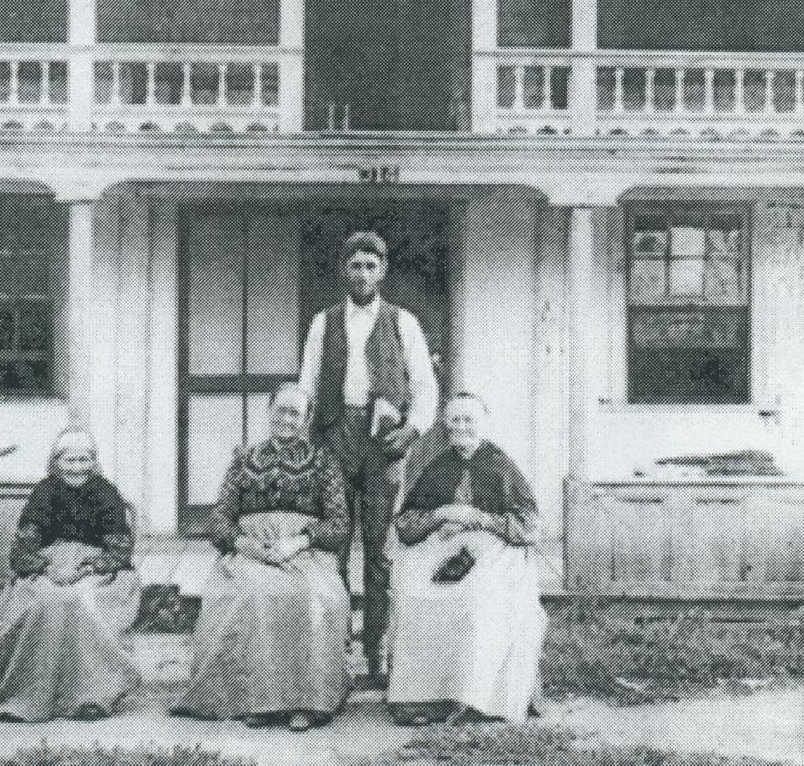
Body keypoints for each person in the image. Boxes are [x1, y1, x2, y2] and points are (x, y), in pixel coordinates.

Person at [298, 230, 438, 687]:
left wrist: (411, 431)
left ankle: (375, 653)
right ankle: (332, 651)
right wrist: (307, 439)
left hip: (383, 443)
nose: (362, 274)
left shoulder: (403, 323)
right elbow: (307, 385)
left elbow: (425, 386)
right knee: (333, 546)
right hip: (335, 436)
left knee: (379, 551)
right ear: (345, 270)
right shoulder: (324, 322)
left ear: (383, 271)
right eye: (355, 265)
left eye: (371, 266)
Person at [174, 383, 352, 732]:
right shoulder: (244, 460)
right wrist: (244, 544)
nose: (286, 419)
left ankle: (308, 701)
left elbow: (339, 523)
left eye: (295, 413)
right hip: (250, 552)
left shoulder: (323, 463)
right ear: (269, 411)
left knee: (312, 596)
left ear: (306, 420)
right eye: (280, 410)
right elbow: (219, 518)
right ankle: (257, 700)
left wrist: (299, 541)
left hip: (304, 552)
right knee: (252, 594)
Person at [387, 392, 545, 725]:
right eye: (454, 420)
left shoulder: (501, 465)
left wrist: (480, 518)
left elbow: (529, 525)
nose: (461, 427)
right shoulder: (438, 465)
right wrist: (439, 514)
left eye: (468, 420)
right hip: (443, 545)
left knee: (478, 595)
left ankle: (475, 696)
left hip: (495, 549)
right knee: (414, 591)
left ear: (484, 424)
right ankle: (423, 697)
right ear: (446, 425)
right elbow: (405, 523)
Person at [0, 429, 141, 722]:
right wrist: (47, 567)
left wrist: (88, 567)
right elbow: (22, 549)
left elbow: (119, 551)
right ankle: (28, 695)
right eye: (70, 460)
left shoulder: (106, 492)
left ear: (94, 462)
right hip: (47, 562)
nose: (77, 467)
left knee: (83, 601)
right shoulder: (44, 492)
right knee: (43, 601)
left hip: (96, 566)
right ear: (56, 462)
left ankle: (90, 695)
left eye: (84, 460)